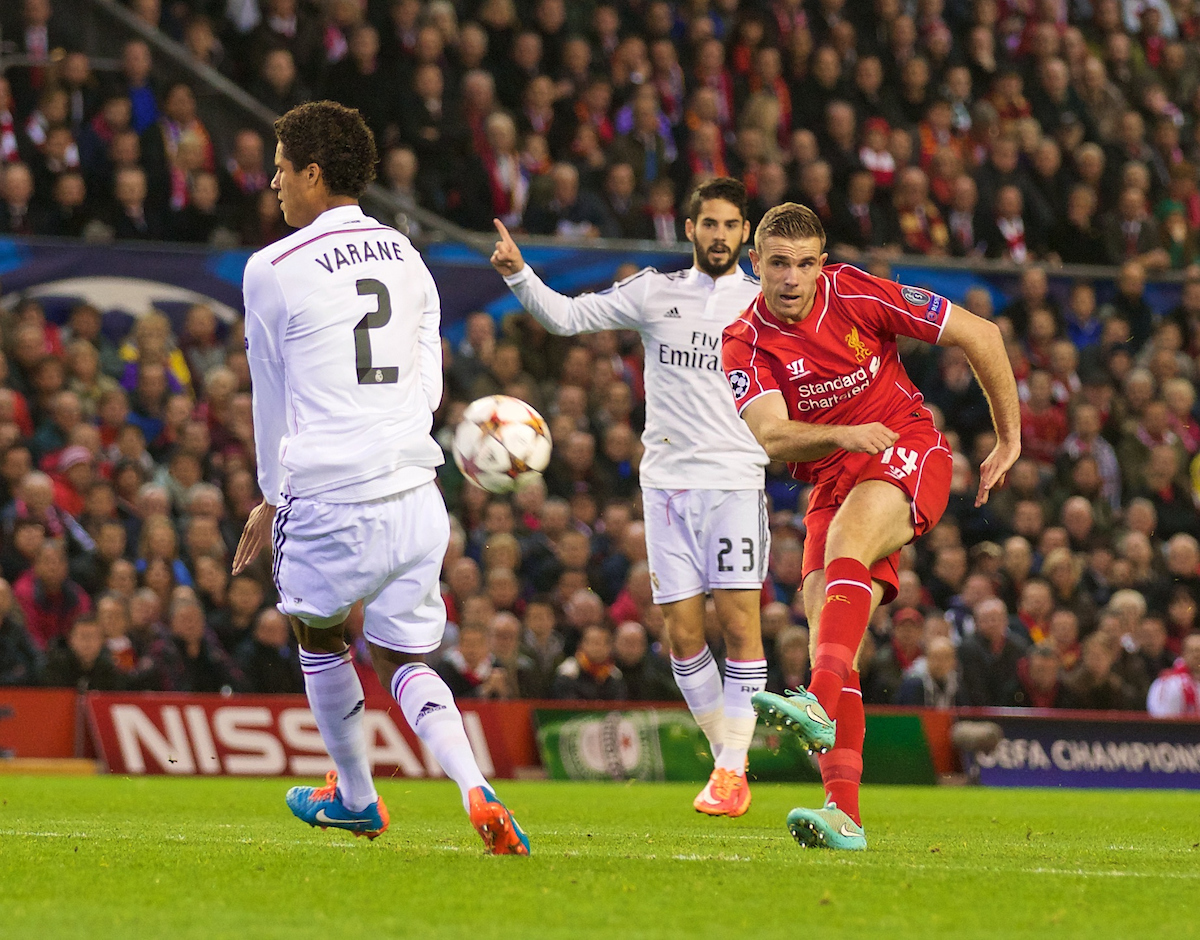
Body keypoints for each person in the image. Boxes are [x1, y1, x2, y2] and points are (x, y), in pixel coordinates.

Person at [233, 101, 528, 855]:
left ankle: (358, 796)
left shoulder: (270, 268)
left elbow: (269, 396)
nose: (273, 183)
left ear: (312, 172)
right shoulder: (409, 255)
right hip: (415, 494)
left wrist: (272, 496)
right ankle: (473, 784)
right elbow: (429, 392)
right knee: (403, 657)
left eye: (279, 168)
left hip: (331, 493)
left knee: (319, 633)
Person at [722, 202, 1020, 850]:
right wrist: (842, 433)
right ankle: (843, 815)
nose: (792, 278)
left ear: (821, 264)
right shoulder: (743, 340)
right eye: (778, 264)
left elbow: (982, 334)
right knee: (830, 632)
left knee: (845, 546)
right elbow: (772, 434)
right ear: (757, 265)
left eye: (805, 264)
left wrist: (1009, 438)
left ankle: (817, 702)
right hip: (833, 479)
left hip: (906, 448)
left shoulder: (856, 291)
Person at [491, 177, 770, 818]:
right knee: (681, 634)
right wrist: (518, 274)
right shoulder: (654, 292)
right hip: (667, 485)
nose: (720, 235)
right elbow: (565, 317)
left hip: (734, 479)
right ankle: (730, 756)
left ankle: (728, 772)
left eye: (732, 225)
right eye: (710, 224)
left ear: (745, 232)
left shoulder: (765, 306)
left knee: (740, 623)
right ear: (690, 228)